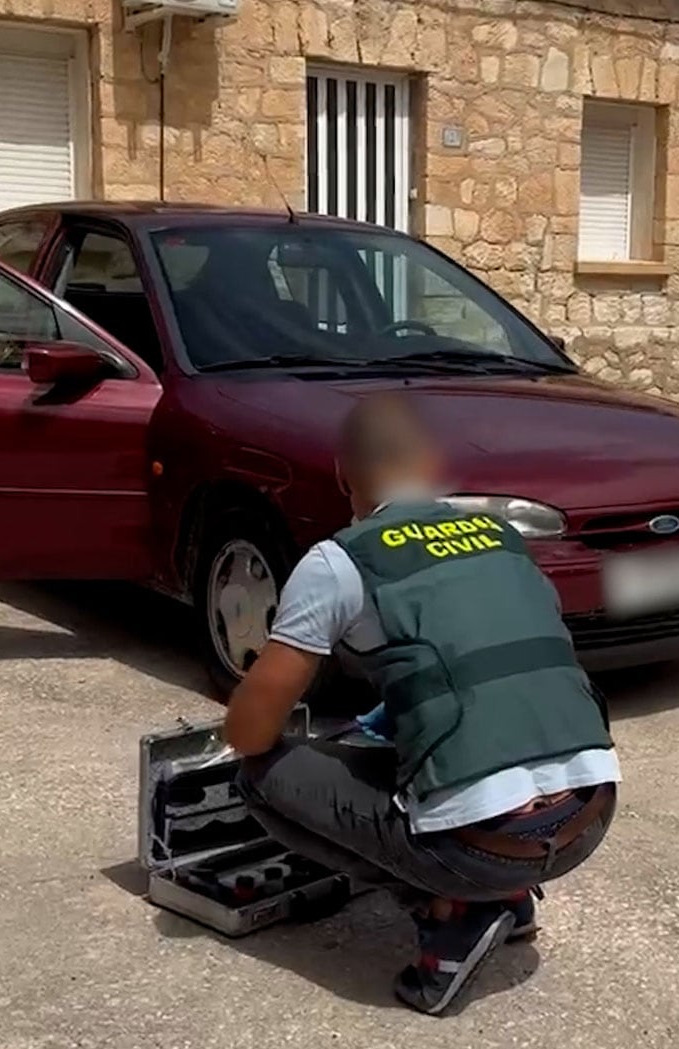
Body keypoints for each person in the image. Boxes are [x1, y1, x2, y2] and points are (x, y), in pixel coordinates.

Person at [222, 392, 621, 1016]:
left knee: (260, 777)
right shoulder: (504, 536)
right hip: (589, 816)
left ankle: (456, 911)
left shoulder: (340, 560)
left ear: (340, 474)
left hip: (481, 844)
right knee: (404, 750)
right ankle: (508, 899)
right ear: (434, 465)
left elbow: (249, 731)